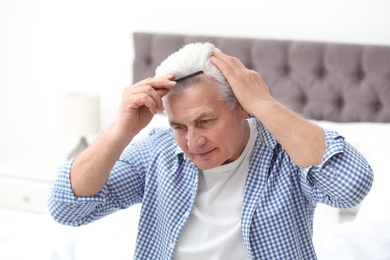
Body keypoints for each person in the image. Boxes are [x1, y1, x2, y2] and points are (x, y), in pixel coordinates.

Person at [48, 42, 373, 259]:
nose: (193, 142)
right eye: (179, 126)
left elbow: (350, 188)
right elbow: (66, 208)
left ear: (241, 107)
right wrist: (120, 130)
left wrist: (264, 102)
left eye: (205, 121)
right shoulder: (158, 153)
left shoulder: (286, 153)